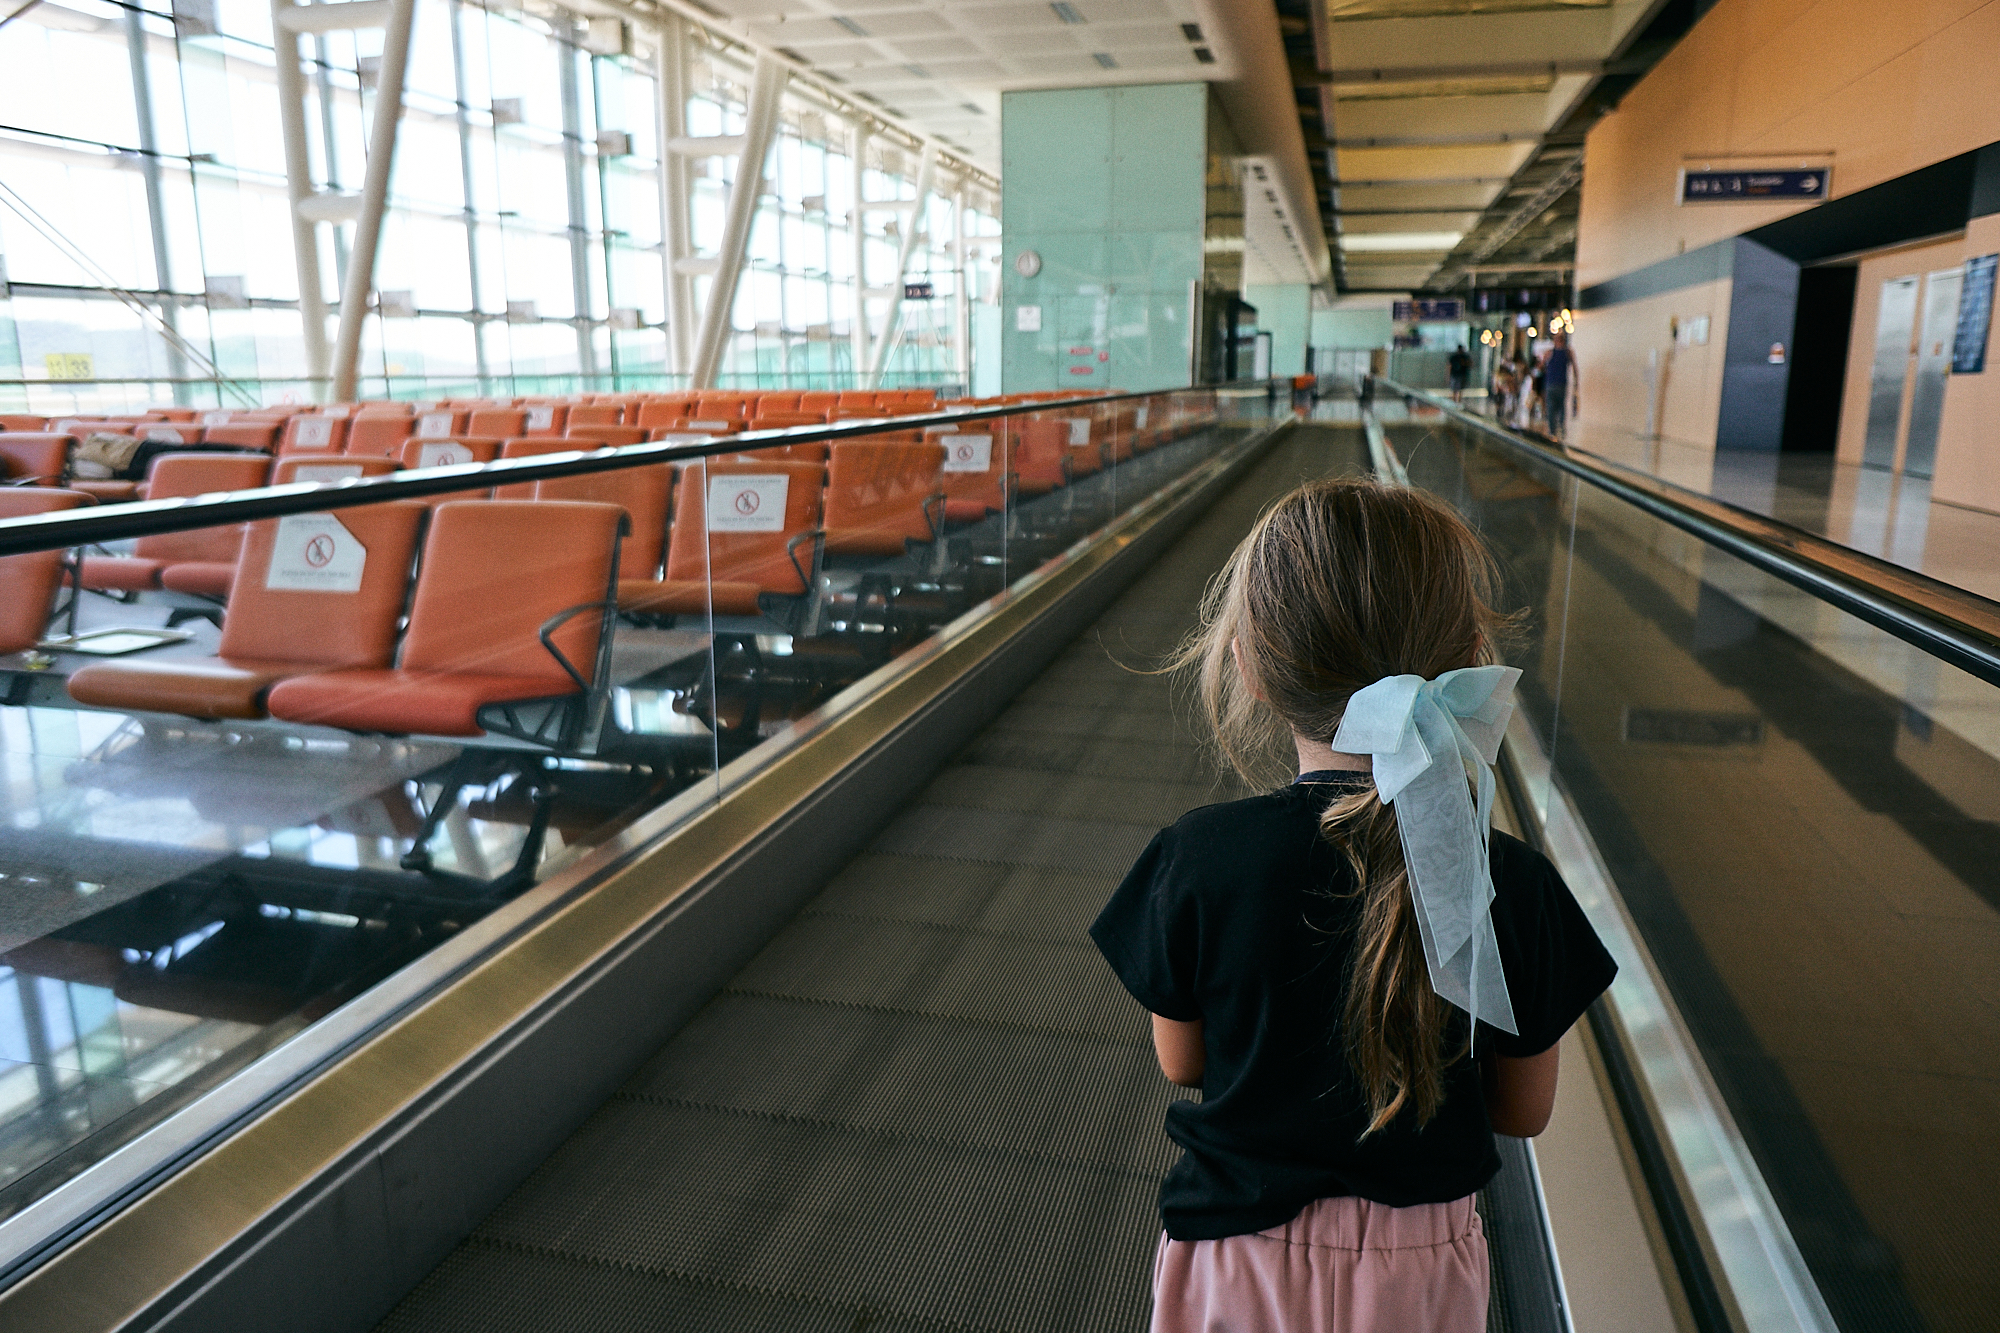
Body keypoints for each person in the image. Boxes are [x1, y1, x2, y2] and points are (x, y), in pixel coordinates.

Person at [1091, 479, 1616, 1333]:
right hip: (1423, 1273)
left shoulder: (1199, 856)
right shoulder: (1508, 882)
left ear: (1251, 669)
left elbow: (1181, 1060)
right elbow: (1523, 1110)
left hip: (1235, 1255)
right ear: (1469, 656)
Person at [1541, 334, 1578, 438]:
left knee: (1551, 407)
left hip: (1551, 383)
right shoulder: (1568, 352)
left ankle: (1552, 430)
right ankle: (1561, 427)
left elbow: (1541, 366)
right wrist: (1576, 382)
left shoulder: (1549, 353)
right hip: (1561, 384)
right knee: (1561, 407)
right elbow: (1574, 367)